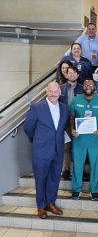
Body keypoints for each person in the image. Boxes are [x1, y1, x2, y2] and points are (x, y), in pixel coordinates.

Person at [24, 82, 69, 219]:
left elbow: (63, 127)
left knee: (54, 178)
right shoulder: (37, 108)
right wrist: (38, 140)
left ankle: (51, 203)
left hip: (58, 150)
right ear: (46, 92)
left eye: (56, 91)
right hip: (41, 150)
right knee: (41, 179)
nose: (53, 94)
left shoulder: (64, 108)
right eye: (51, 91)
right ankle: (41, 206)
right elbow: (28, 128)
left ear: (60, 93)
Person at [70, 78, 98, 200]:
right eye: (86, 84)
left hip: (95, 137)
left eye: (91, 84)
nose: (88, 86)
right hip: (79, 138)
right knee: (77, 163)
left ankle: (95, 190)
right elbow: (71, 116)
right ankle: (76, 189)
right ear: (83, 86)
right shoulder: (76, 100)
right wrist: (72, 129)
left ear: (95, 87)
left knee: (95, 164)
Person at [60, 66, 84, 180]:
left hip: (79, 121)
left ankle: (79, 169)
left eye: (74, 73)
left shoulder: (82, 88)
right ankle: (66, 169)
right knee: (66, 146)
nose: (72, 75)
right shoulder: (61, 88)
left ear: (77, 75)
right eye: (70, 73)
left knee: (79, 146)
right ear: (66, 74)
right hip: (65, 121)